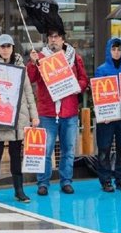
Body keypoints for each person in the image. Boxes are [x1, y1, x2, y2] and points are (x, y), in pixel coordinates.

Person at [27, 27, 88, 196]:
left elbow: (84, 79)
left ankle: (66, 181)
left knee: (68, 150)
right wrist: (32, 64)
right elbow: (30, 79)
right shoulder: (39, 58)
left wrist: (78, 87)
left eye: (57, 37)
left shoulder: (74, 57)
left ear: (63, 40)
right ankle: (43, 183)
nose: (53, 40)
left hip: (69, 112)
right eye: (50, 37)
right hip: (47, 112)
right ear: (47, 40)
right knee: (46, 150)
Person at [0, 34, 39, 206]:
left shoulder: (20, 66)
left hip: (18, 117)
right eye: (3, 46)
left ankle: (19, 190)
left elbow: (28, 92)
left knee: (16, 155)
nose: (6, 49)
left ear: (13, 48)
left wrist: (34, 115)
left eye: (8, 46)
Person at [95, 37, 121, 193]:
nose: (116, 52)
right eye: (113, 49)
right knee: (104, 148)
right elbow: (98, 94)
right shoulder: (101, 70)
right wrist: (101, 113)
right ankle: (105, 181)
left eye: (119, 49)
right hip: (107, 117)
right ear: (108, 50)